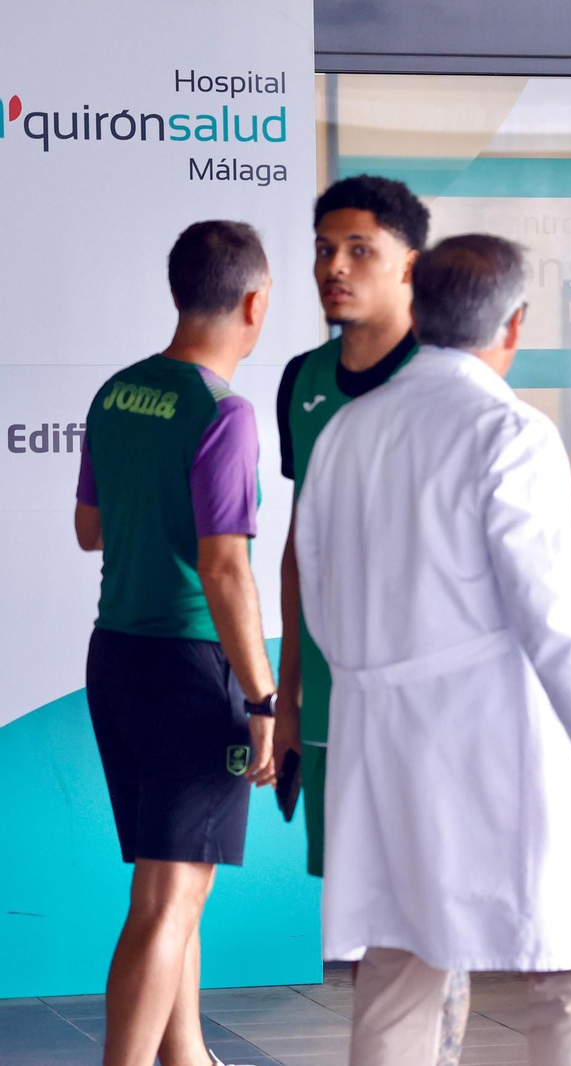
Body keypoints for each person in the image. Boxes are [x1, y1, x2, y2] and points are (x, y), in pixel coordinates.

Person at [295, 234, 571, 1066]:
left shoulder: (345, 433)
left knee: (399, 963)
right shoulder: (510, 431)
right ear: (516, 324)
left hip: (381, 736)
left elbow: (315, 592)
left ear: (417, 312)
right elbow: (553, 612)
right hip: (503, 738)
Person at [271, 176, 471, 1063]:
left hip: (432, 697)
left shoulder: (449, 381)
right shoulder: (301, 382)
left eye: (359, 250)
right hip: (333, 692)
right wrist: (284, 697)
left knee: (435, 903)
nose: (334, 268)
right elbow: (296, 545)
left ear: (410, 268)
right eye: (324, 248)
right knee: (365, 915)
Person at [75, 221, 278, 1066]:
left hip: (116, 659)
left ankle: (184, 1053)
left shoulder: (118, 392)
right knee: (168, 897)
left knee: (173, 881)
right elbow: (225, 570)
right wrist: (264, 699)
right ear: (255, 303)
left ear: (177, 291)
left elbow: (90, 530)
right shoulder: (220, 413)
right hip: (191, 672)